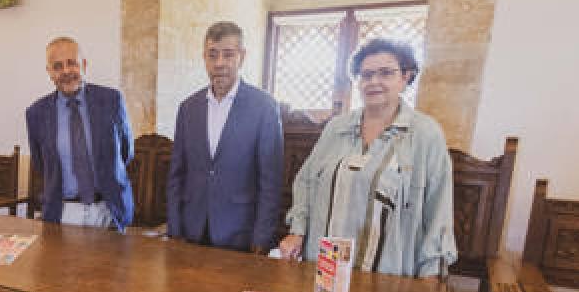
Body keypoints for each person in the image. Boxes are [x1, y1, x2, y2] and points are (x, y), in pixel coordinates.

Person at [279, 38, 457, 276]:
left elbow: (438, 208)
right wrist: (297, 230)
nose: (374, 82)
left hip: (387, 271)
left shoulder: (425, 133)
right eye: (366, 75)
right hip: (324, 267)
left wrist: (431, 270)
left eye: (386, 73)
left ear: (406, 77)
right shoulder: (337, 127)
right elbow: (307, 181)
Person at [167, 21, 283, 253]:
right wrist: (175, 229)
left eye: (228, 54)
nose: (219, 63)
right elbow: (176, 175)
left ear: (242, 56)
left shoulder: (264, 107)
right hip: (192, 230)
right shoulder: (188, 108)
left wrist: (262, 239)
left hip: (240, 233)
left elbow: (270, 182)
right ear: (204, 58)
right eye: (213, 55)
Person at [26, 37, 135, 230]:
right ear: (49, 72)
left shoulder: (111, 100)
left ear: (83, 64)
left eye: (72, 63)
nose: (66, 71)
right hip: (64, 214)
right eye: (57, 66)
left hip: (109, 211)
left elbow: (126, 152)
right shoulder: (36, 113)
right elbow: (40, 163)